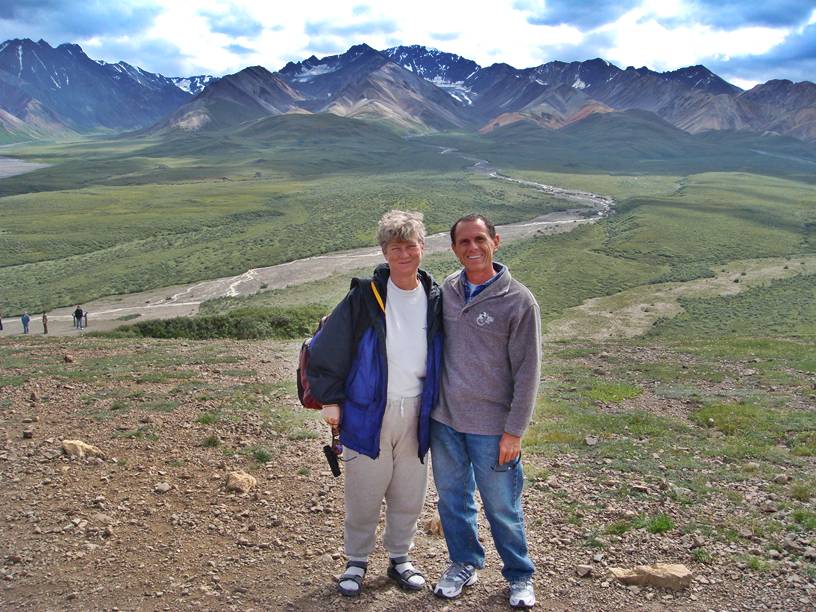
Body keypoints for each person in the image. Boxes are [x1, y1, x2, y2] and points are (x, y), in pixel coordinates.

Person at [307, 210, 443, 598]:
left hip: (417, 410)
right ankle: (356, 561)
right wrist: (330, 400)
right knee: (364, 492)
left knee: (408, 493)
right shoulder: (364, 297)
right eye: (395, 247)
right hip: (367, 411)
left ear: (422, 248)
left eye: (410, 245)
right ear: (384, 252)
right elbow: (329, 348)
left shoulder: (435, 297)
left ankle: (400, 558)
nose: (404, 254)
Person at [431, 214, 541, 609]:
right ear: (454, 248)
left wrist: (515, 431)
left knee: (501, 506)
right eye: (464, 242)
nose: (472, 248)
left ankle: (519, 575)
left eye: (480, 239)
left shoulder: (518, 300)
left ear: (496, 241)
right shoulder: (447, 290)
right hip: (444, 421)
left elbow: (528, 371)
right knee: (452, 500)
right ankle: (463, 563)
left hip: (493, 428)